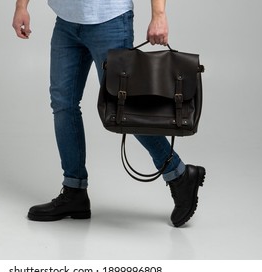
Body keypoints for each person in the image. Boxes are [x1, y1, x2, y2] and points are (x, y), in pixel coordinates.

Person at [12, 0, 206, 227]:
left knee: (125, 109)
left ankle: (179, 175)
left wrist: (159, 14)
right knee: (63, 105)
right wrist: (21, 6)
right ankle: (74, 191)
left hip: (110, 21)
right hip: (66, 21)